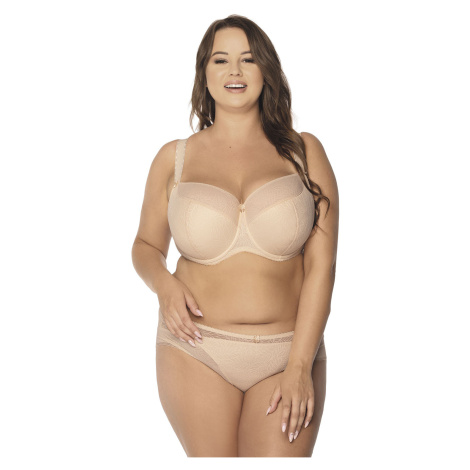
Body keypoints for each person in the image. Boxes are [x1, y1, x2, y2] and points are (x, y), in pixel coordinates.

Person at [131, 14, 339, 457]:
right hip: (196, 350)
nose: (235, 71)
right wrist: (164, 285)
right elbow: (145, 246)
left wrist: (300, 366)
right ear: (204, 74)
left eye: (248, 59)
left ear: (266, 69)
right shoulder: (173, 159)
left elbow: (323, 266)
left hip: (289, 351)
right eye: (220, 60)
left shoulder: (305, 152)